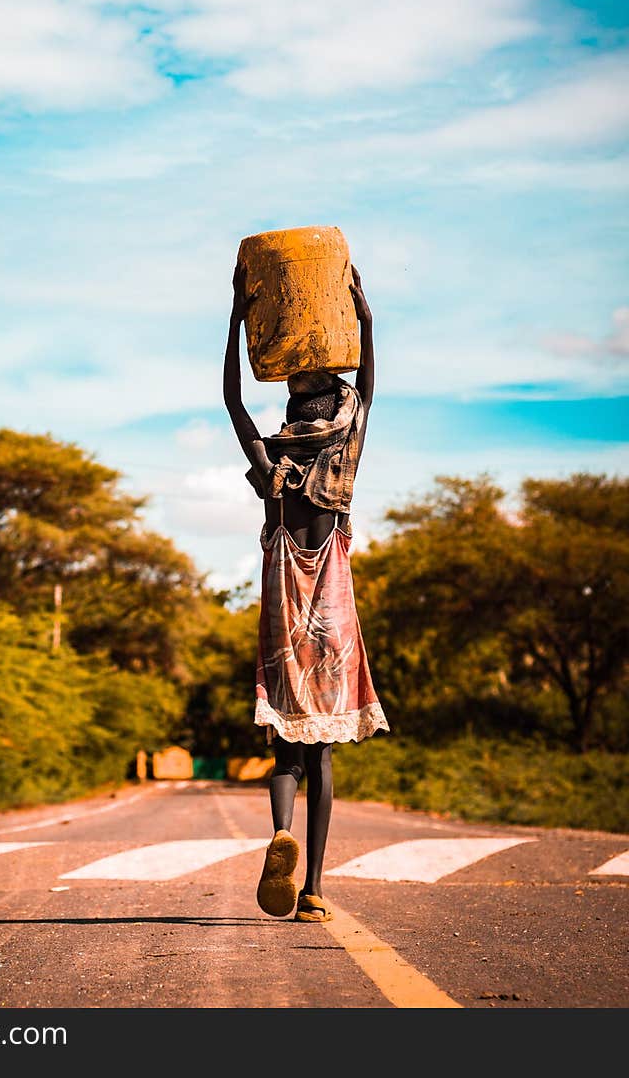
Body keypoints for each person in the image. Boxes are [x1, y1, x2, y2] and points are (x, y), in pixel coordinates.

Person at [223, 257, 389, 923]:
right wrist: (365, 316)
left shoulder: (272, 462)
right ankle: (316, 887)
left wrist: (237, 318)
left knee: (286, 748)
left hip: (282, 602)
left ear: (291, 406)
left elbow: (233, 400)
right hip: (333, 607)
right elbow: (370, 389)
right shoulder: (346, 444)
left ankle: (279, 834)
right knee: (321, 752)